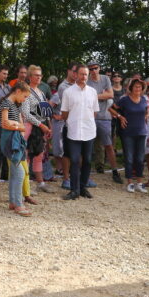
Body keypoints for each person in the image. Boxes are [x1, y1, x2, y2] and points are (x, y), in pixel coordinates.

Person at [60, 65, 99, 201]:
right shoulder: (68, 92)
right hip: (74, 130)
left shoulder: (93, 92)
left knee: (87, 160)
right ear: (76, 75)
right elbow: (64, 113)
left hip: (89, 130)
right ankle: (74, 190)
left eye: (86, 75)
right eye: (81, 74)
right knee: (75, 160)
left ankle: (82, 187)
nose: (84, 77)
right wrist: (73, 120)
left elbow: (94, 112)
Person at [0, 81, 34, 214]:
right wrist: (18, 126)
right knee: (19, 172)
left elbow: (19, 124)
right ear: (18, 91)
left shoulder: (16, 105)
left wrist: (16, 125)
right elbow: (4, 123)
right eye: (25, 96)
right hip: (9, 140)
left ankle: (13, 202)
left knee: (15, 172)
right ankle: (18, 204)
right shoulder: (6, 103)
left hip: (15, 139)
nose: (25, 99)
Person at [87, 61, 122, 184]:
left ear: (99, 68)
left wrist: (94, 96)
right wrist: (102, 95)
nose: (93, 71)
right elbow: (85, 97)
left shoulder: (106, 78)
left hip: (104, 117)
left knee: (108, 145)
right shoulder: (86, 81)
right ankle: (84, 172)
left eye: (95, 68)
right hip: (90, 117)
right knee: (87, 145)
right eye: (91, 69)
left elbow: (111, 95)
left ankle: (115, 171)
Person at [112, 78, 149, 192]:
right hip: (128, 133)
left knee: (140, 159)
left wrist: (146, 115)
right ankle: (129, 182)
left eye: (140, 87)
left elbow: (147, 110)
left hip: (141, 132)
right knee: (129, 158)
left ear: (142, 89)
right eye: (136, 86)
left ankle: (139, 182)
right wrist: (120, 117)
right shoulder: (125, 100)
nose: (138, 89)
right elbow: (111, 108)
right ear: (131, 88)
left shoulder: (143, 99)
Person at [23, 65, 55, 194]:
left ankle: (41, 182)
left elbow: (45, 111)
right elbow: (26, 113)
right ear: (30, 77)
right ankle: (26, 184)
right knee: (27, 155)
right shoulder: (26, 91)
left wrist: (48, 126)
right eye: (36, 75)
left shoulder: (41, 93)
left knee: (39, 154)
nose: (38, 77)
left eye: (40, 75)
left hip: (41, 127)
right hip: (29, 127)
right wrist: (41, 125)